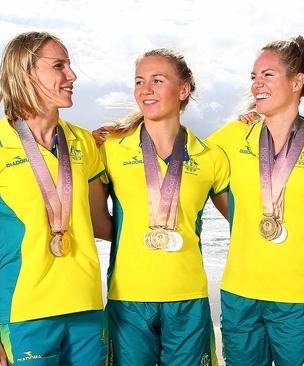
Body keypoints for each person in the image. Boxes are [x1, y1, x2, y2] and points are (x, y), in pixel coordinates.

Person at [0, 31, 107, 366]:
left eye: (69, 65)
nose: (72, 75)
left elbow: (102, 223)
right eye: (59, 66)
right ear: (26, 73)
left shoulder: (84, 143)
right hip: (26, 312)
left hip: (88, 309)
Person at [208, 36, 304, 365]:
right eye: (254, 77)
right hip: (239, 294)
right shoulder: (232, 136)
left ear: (297, 81)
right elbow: (187, 169)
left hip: (297, 297)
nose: (256, 83)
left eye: (267, 75)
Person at [92, 49, 229, 365]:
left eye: (157, 80)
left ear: (183, 90)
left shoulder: (210, 156)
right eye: (139, 81)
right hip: (128, 297)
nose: (145, 89)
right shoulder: (110, 149)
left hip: (187, 297)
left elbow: (244, 218)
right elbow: (88, 215)